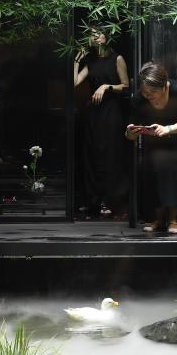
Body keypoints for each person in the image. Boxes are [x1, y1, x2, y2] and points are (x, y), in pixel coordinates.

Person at [126, 61, 177, 234]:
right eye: (145, 92)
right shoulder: (138, 99)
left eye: (153, 92)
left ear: (164, 86)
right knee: (152, 170)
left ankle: (172, 220)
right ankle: (156, 219)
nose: (148, 95)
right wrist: (131, 133)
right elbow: (130, 133)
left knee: (175, 169)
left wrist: (168, 129)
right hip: (154, 136)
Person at [74, 26, 129, 218]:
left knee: (110, 154)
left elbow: (126, 86)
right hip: (93, 113)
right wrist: (77, 60)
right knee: (92, 154)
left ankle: (111, 201)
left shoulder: (117, 58)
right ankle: (93, 201)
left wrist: (106, 86)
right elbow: (75, 82)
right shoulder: (90, 60)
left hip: (111, 112)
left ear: (107, 36)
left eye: (98, 33)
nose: (95, 37)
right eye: (91, 35)